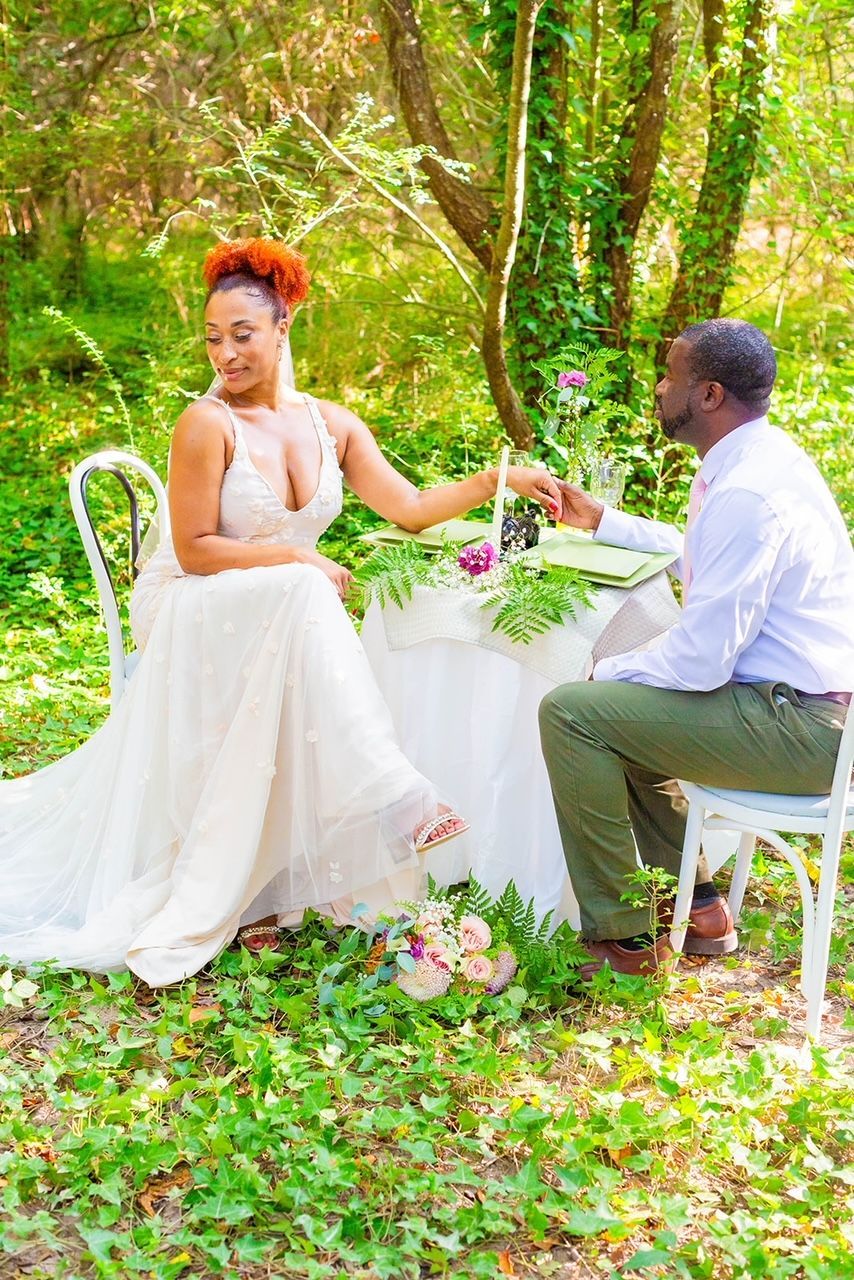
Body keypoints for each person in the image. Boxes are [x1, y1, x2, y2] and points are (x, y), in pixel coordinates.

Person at [0, 237, 562, 987]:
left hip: (281, 615)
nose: (224, 353)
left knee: (306, 601)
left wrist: (502, 476)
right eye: (212, 337)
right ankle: (400, 796)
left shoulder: (333, 423)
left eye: (242, 335)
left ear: (283, 326)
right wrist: (299, 557)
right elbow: (196, 550)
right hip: (194, 604)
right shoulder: (205, 424)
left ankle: (266, 886)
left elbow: (412, 508)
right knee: (304, 590)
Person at [539, 318, 854, 979]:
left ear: (708, 395)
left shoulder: (749, 493)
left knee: (576, 713)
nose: (658, 388)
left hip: (808, 729)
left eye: (670, 375)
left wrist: (603, 670)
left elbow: (700, 661)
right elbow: (705, 561)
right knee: (621, 713)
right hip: (796, 708)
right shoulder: (756, 460)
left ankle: (622, 943)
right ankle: (700, 906)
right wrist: (602, 521)